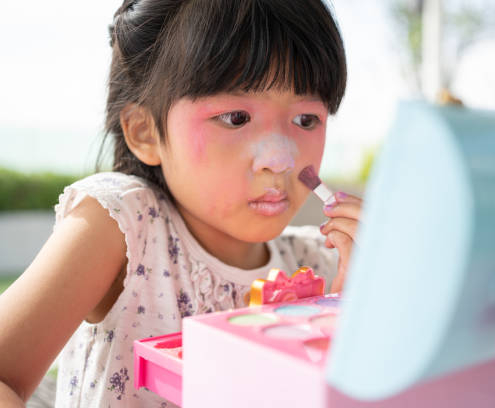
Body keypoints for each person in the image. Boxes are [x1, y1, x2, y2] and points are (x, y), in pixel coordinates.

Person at [0, 0, 362, 406]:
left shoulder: (325, 261)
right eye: (236, 118)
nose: (281, 159)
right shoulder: (123, 227)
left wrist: (352, 312)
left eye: (306, 120)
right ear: (144, 132)